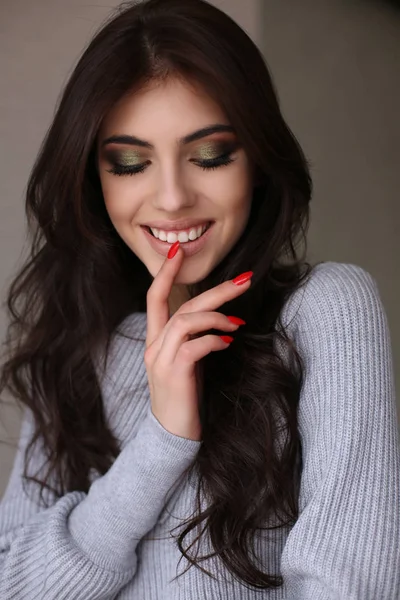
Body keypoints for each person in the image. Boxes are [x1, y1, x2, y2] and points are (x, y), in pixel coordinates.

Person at [0, 0, 399, 598]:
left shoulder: (326, 312)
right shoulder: (76, 344)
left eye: (210, 156)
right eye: (131, 163)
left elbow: (350, 587)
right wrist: (161, 440)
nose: (172, 198)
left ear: (258, 160)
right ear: (94, 177)